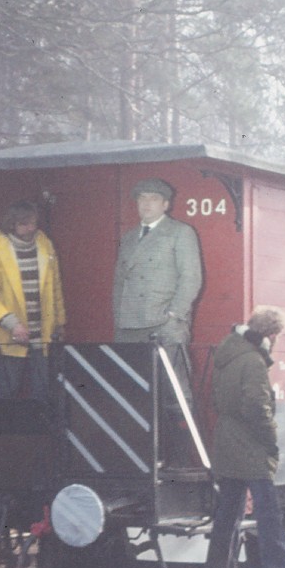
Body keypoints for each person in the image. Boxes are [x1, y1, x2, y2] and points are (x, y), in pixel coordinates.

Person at [203, 306, 285, 568]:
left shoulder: (227, 355)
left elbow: (216, 400)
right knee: (267, 509)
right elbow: (257, 406)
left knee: (229, 511)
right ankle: (282, 567)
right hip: (250, 443)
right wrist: (271, 436)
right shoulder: (253, 361)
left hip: (227, 439)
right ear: (271, 334)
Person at [111, 177, 204, 427]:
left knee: (175, 391)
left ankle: (182, 445)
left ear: (166, 204)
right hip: (129, 325)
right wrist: (119, 318)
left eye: (153, 199)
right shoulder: (129, 237)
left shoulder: (180, 232)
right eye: (142, 198)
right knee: (134, 391)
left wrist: (174, 315)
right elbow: (119, 281)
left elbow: (191, 277)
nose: (146, 204)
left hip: (163, 323)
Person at [0, 200, 65, 398]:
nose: (30, 228)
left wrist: (59, 323)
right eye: (24, 224)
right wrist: (12, 324)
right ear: (11, 224)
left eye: (33, 223)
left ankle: (39, 420)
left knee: (43, 395)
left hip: (42, 335)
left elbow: (55, 287)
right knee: (7, 394)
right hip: (8, 337)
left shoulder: (46, 246)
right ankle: (7, 421)